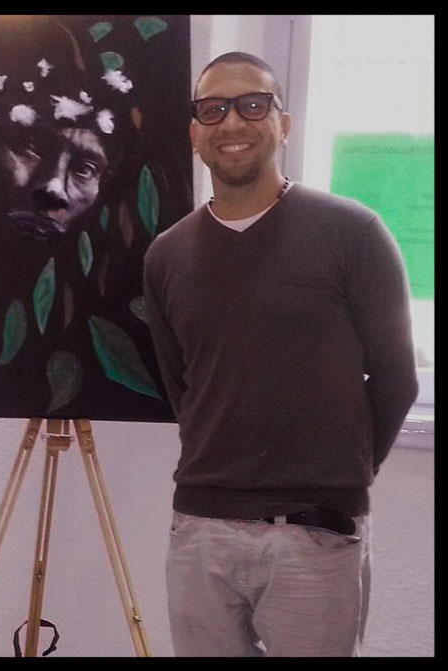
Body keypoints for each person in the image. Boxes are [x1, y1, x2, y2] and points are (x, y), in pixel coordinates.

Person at [143, 52, 418, 657]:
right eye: (213, 110)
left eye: (252, 105)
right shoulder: (167, 255)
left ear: (283, 124)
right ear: (195, 133)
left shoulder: (353, 233)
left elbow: (396, 379)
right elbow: (182, 386)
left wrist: (337, 476)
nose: (231, 122)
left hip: (317, 532)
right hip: (201, 529)